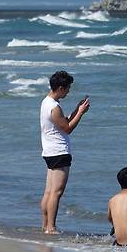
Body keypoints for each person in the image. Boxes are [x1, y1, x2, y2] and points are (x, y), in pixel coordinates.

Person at [39, 70, 90, 234]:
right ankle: (51, 227)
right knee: (57, 192)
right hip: (59, 152)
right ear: (60, 88)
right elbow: (68, 128)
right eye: (67, 88)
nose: (68, 91)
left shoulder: (46, 102)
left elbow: (63, 122)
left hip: (49, 151)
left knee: (49, 191)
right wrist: (81, 114)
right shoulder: (54, 107)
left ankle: (45, 225)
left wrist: (76, 109)